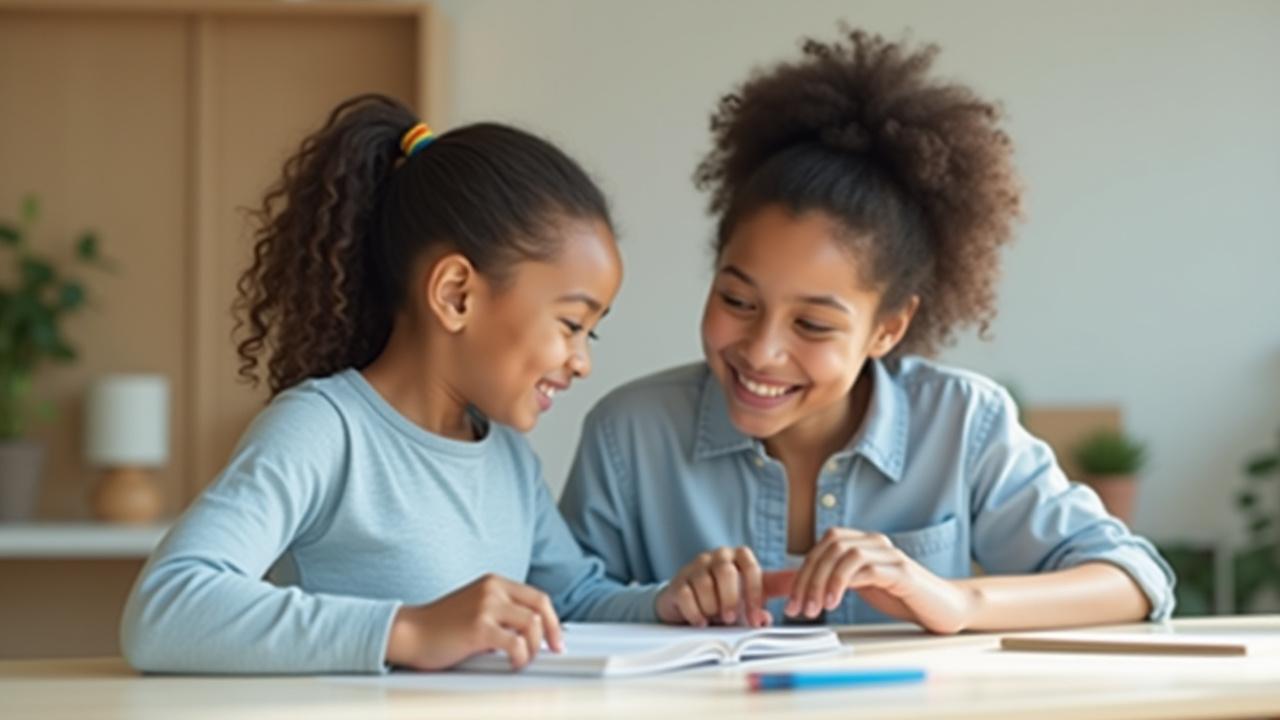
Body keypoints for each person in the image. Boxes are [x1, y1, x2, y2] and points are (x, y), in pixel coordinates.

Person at [561, 30, 1174, 632]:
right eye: (737, 299)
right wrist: (659, 603)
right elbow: (562, 606)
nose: (761, 349)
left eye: (812, 324)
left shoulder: (963, 424)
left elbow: (1132, 577)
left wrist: (953, 601)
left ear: (888, 327)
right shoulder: (630, 436)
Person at [121, 94, 664, 674]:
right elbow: (165, 608)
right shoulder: (324, 430)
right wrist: (408, 629)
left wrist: (674, 603)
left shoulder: (507, 458)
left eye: (591, 335)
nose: (582, 362)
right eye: (571, 325)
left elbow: (575, 602)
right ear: (456, 294)